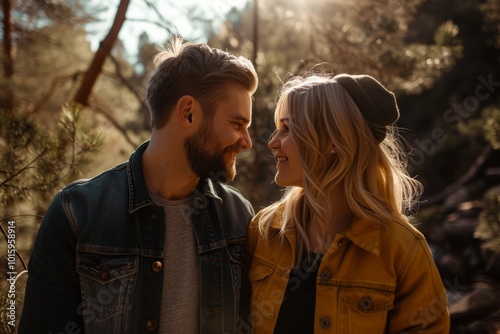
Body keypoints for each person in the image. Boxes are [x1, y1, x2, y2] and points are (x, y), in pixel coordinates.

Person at [19, 37, 258, 334]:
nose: (246, 142)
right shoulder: (76, 214)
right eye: (237, 124)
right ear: (188, 113)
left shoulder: (238, 218)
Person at [243, 73, 450, 333]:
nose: (272, 142)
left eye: (287, 128)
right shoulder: (263, 231)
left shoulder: (403, 250)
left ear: (333, 141)